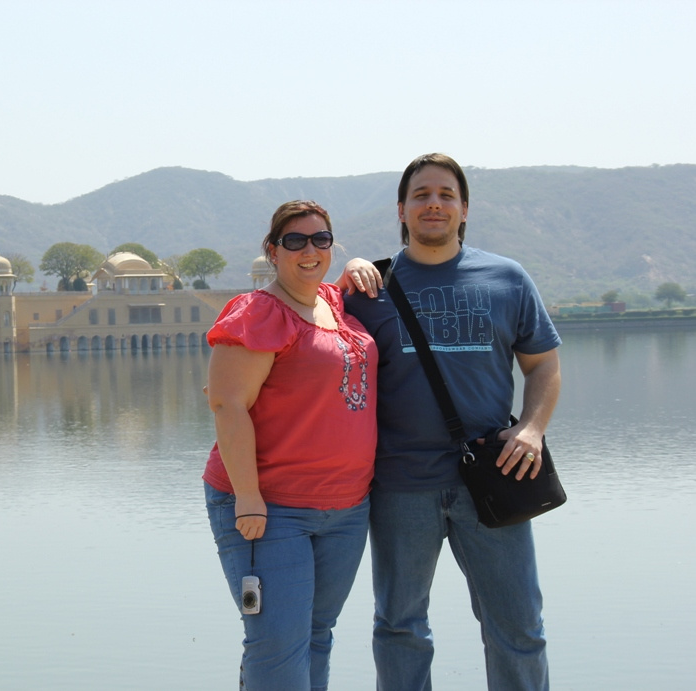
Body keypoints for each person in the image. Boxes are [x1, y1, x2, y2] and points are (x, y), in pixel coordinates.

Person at [340, 153, 562, 691]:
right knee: (399, 626)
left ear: (464, 209)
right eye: (421, 195)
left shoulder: (507, 278)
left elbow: (543, 366)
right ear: (402, 209)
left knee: (518, 626)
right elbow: (313, 335)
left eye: (445, 195)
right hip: (400, 484)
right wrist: (344, 272)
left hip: (494, 477)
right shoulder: (368, 289)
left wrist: (532, 429)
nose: (433, 204)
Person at [204, 200, 377, 690]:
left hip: (346, 509)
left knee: (316, 636)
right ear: (273, 251)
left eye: (321, 239)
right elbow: (227, 406)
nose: (309, 249)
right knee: (278, 644)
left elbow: (346, 283)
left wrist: (358, 266)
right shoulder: (259, 313)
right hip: (271, 507)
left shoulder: (332, 302)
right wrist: (248, 498)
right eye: (295, 241)